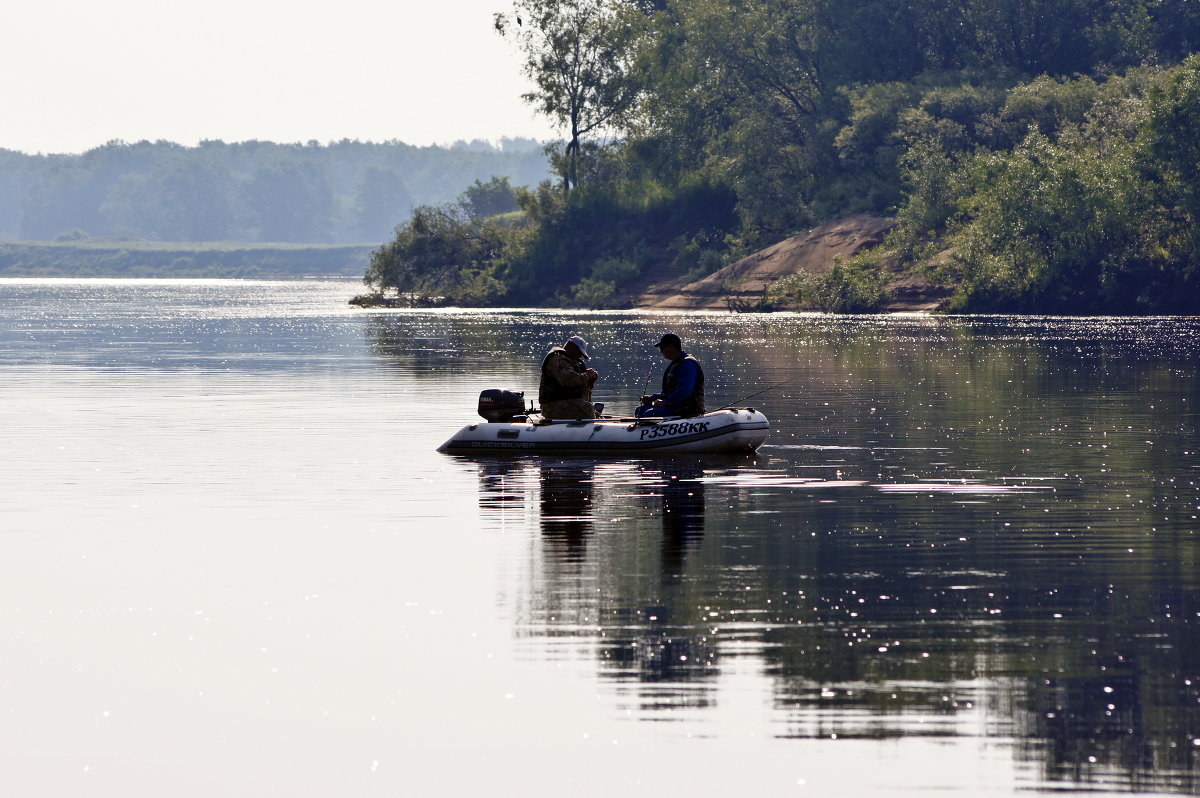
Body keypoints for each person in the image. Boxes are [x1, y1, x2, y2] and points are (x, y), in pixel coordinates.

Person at [636, 333, 705, 418]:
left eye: (662, 348)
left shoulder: (688, 364)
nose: (661, 351)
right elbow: (668, 393)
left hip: (687, 410)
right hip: (674, 406)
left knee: (650, 414)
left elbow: (685, 391)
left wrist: (665, 402)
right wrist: (652, 398)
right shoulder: (676, 363)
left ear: (671, 346)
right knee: (640, 409)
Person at [538, 335, 600, 419]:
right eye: (579, 352)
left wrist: (590, 382)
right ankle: (592, 430)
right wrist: (586, 376)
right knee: (588, 408)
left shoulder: (573, 362)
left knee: (593, 410)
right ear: (572, 347)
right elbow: (567, 380)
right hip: (551, 406)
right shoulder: (557, 358)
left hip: (567, 403)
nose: (580, 356)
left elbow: (581, 391)